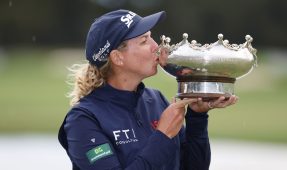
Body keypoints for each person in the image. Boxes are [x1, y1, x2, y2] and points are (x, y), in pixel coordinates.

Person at [58, 9, 238, 170]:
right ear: (118, 57)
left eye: (151, 37)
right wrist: (163, 135)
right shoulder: (83, 119)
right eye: (144, 41)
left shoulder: (155, 100)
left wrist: (197, 117)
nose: (156, 47)